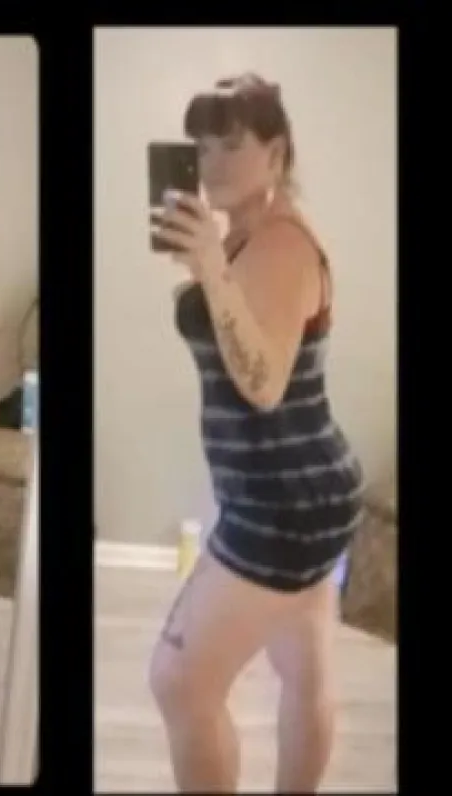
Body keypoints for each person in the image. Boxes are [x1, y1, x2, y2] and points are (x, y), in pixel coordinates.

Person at [148, 73, 365, 793]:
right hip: (306, 489)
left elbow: (263, 385)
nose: (210, 161)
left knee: (179, 680)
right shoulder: (245, 235)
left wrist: (212, 271)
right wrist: (211, 264)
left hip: (282, 504)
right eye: (202, 144)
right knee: (304, 667)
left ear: (276, 153)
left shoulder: (281, 245)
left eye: (231, 144)